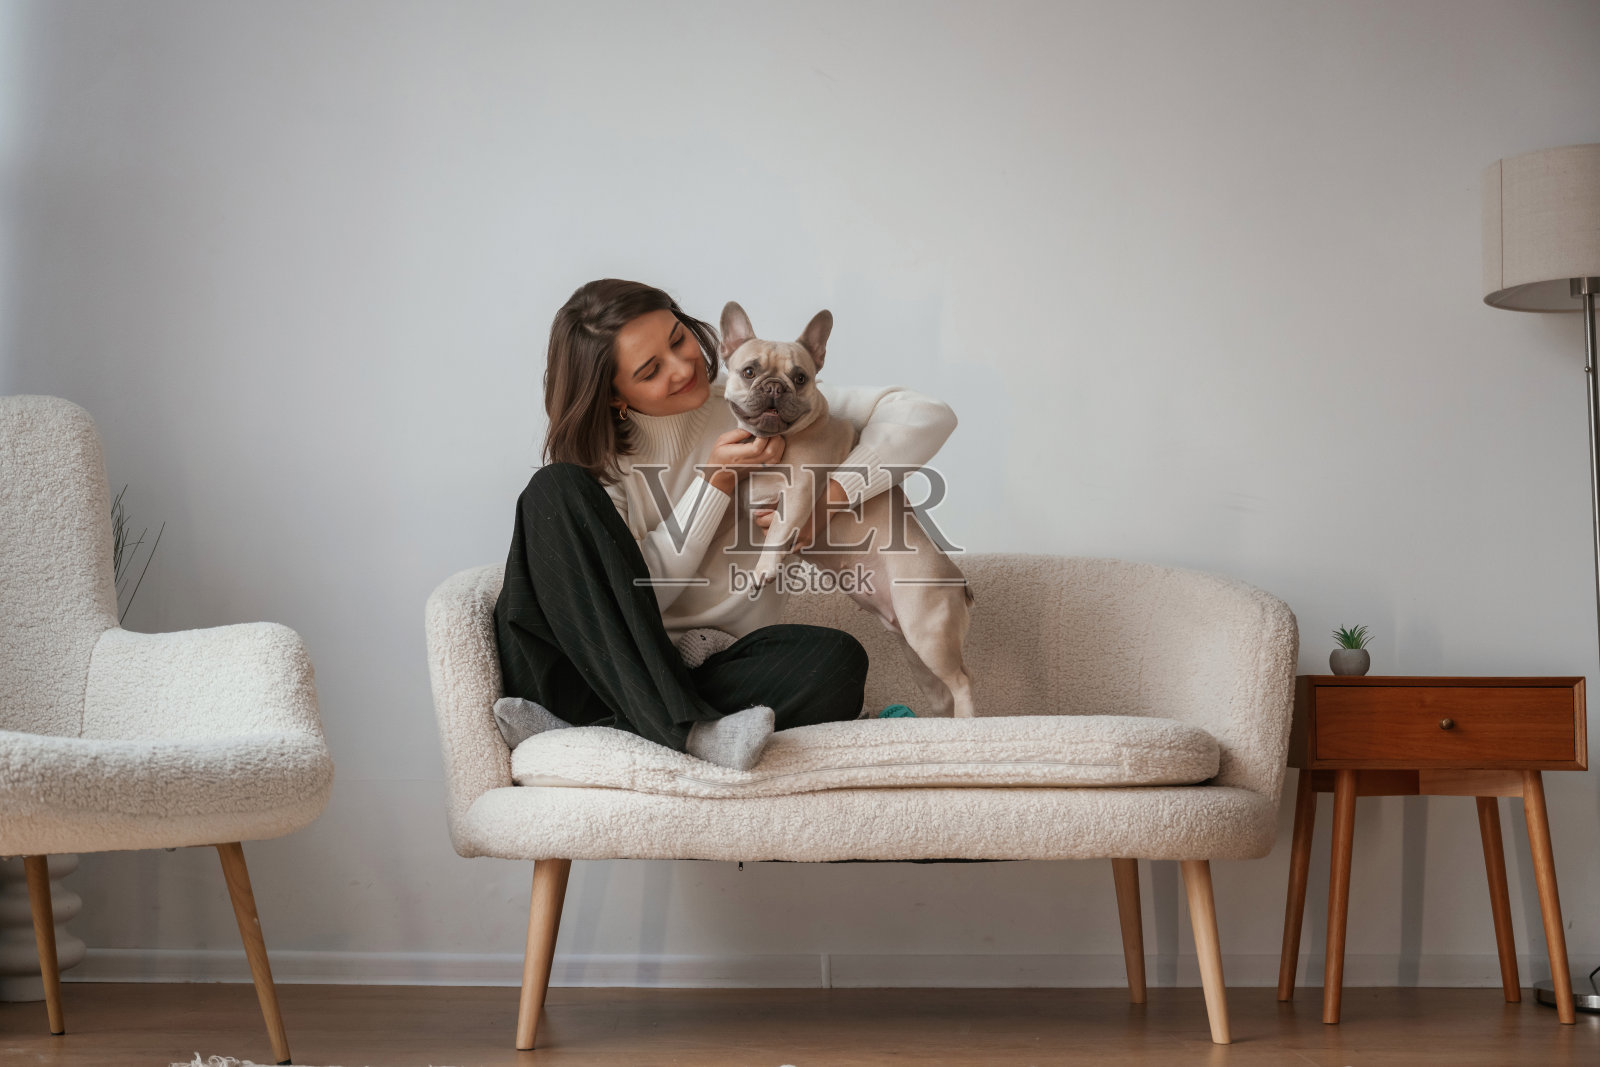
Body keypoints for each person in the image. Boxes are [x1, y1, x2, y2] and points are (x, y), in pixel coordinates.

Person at [493, 278, 958, 770]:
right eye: (651, 370)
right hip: (595, 669)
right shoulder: (603, 463)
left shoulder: (764, 399)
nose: (683, 366)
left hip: (711, 672)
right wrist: (715, 483)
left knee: (837, 661)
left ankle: (608, 732)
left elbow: (927, 416)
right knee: (553, 488)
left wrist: (832, 498)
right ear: (613, 396)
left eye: (679, 339)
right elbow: (641, 599)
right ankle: (688, 730)